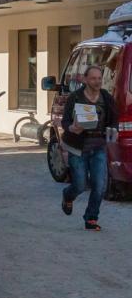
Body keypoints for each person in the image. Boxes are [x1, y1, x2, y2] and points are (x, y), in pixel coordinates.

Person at [60, 63, 118, 231]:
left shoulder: (106, 97)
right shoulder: (75, 97)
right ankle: (68, 196)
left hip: (99, 146)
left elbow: (114, 120)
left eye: (99, 78)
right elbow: (65, 121)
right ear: (85, 79)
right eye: (93, 78)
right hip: (78, 147)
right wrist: (71, 127)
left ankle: (91, 218)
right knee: (79, 185)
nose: (97, 81)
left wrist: (113, 130)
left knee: (99, 185)